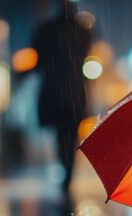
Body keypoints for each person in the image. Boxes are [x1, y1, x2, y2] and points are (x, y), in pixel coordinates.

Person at [34, 1, 92, 192]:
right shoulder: (82, 31)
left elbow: (39, 57)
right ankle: (68, 170)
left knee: (61, 134)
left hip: (54, 90)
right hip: (74, 91)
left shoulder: (48, 30)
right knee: (69, 134)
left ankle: (65, 169)